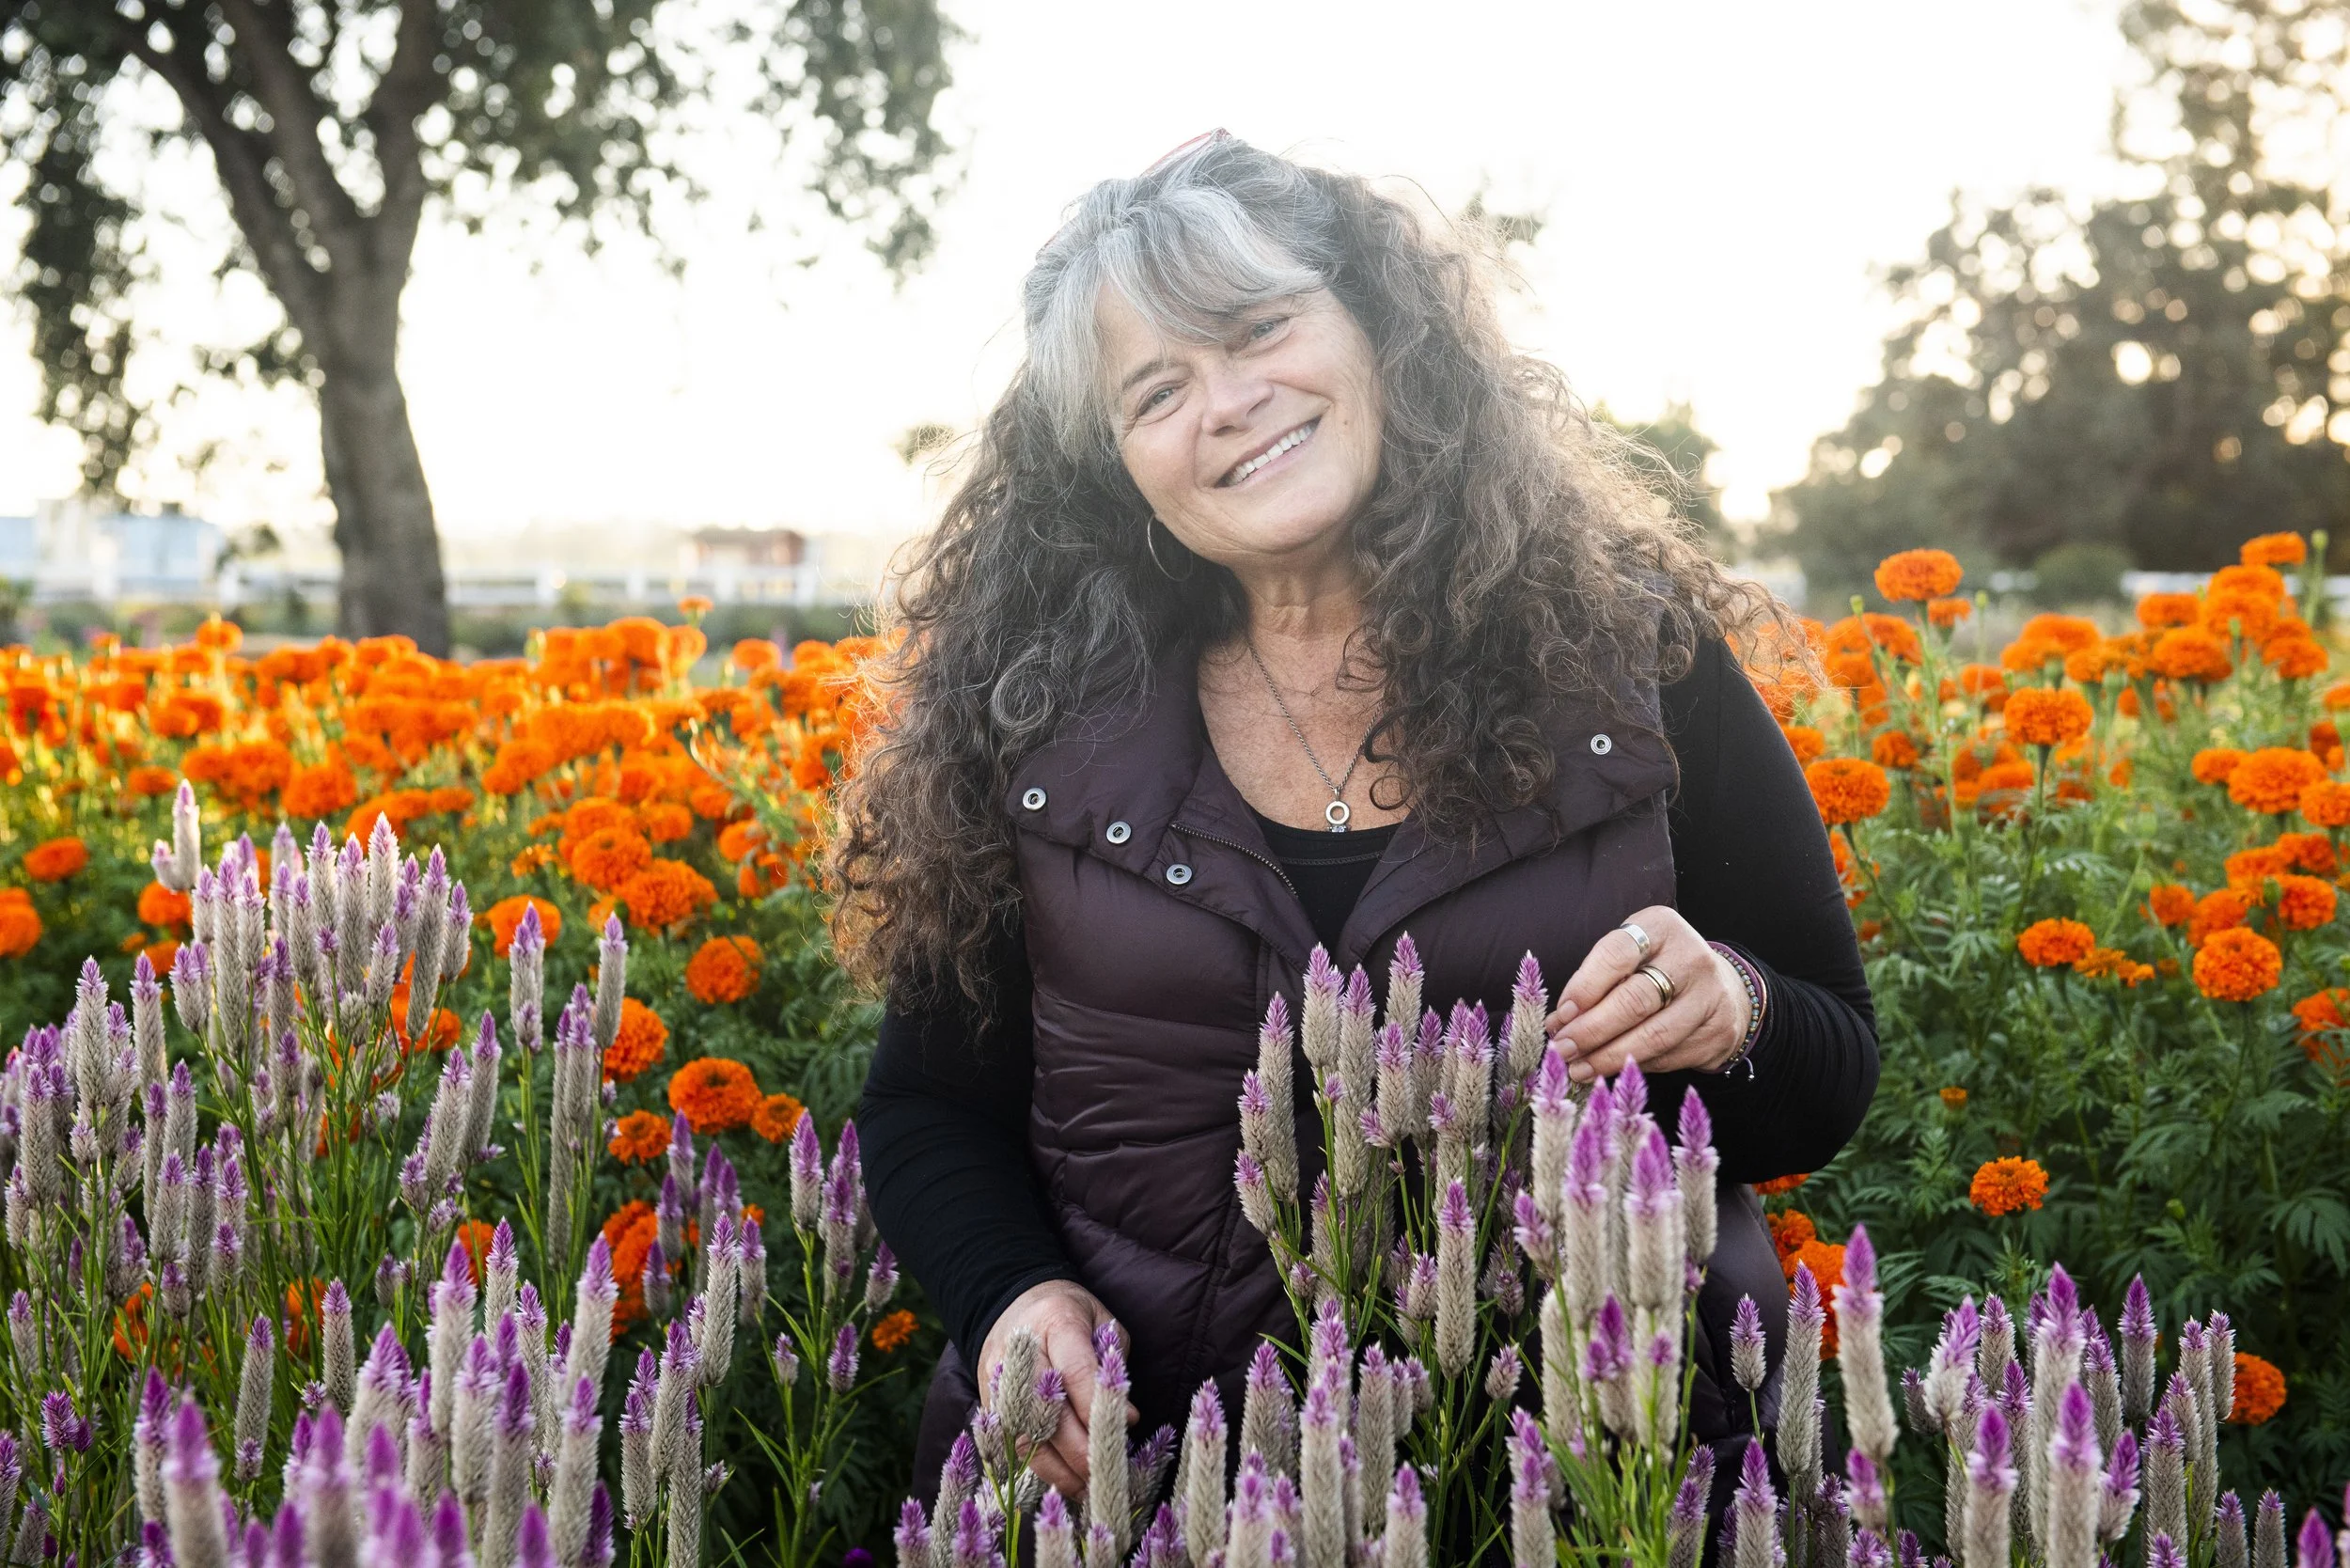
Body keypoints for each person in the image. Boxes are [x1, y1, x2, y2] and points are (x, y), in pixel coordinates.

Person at [833, 133, 1878, 1502]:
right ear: (1114, 462)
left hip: (1593, 1480)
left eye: (1259, 328)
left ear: (1380, 333)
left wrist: (1734, 1007)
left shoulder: (1632, 657)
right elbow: (925, 1112)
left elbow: (1829, 1069)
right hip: (1156, 1486)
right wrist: (1014, 1298)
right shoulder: (1032, 722)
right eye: (1159, 387)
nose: (1228, 401)